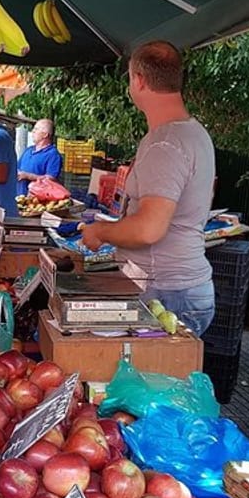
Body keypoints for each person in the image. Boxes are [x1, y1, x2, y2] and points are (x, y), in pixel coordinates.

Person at [81, 41, 216, 335]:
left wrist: (99, 232)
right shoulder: (191, 133)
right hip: (178, 287)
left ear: (139, 80)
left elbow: (148, 230)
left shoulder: (165, 144)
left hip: (169, 292)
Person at [16, 119, 63, 196]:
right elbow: (17, 169)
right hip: (19, 197)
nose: (33, 132)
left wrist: (28, 176)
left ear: (45, 135)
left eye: (36, 129)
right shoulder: (28, 150)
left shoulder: (53, 155)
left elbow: (50, 179)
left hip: (36, 202)